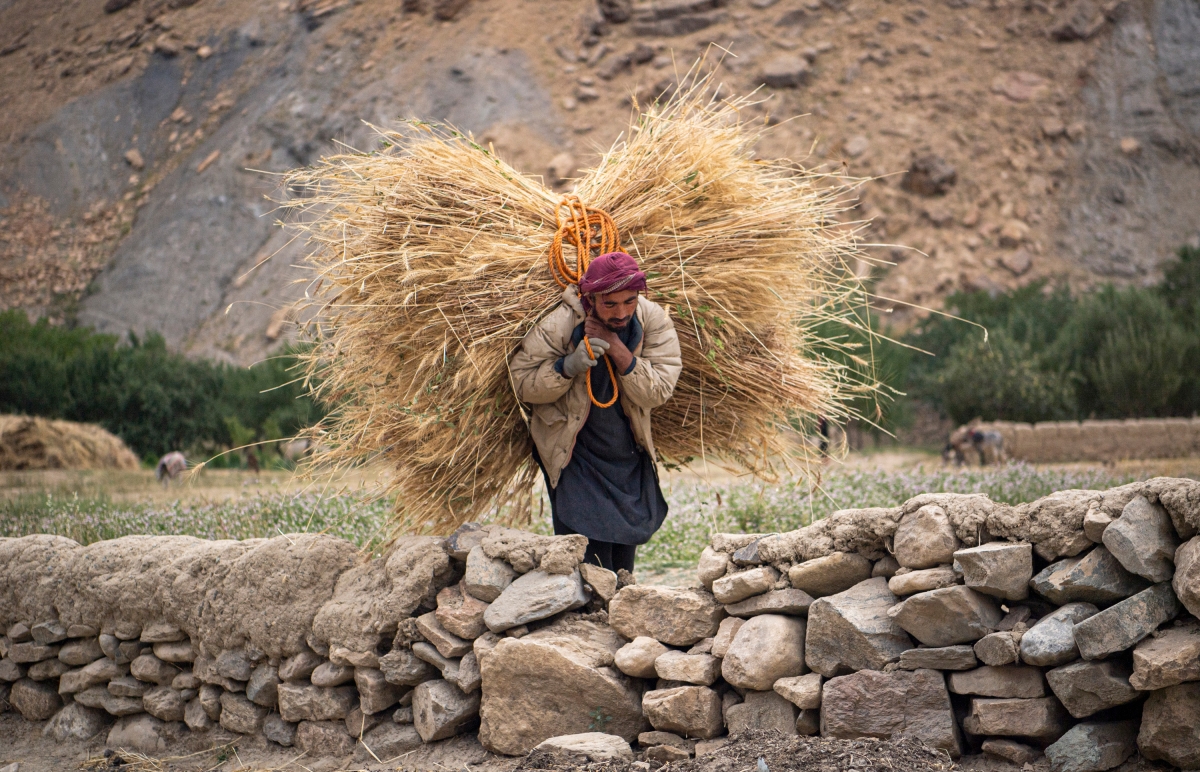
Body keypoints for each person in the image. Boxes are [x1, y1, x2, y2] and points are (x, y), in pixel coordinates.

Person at [510, 251, 681, 573]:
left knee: (624, 546)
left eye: (630, 301)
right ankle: (583, 614)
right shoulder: (558, 324)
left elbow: (657, 392)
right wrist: (566, 367)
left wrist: (615, 347)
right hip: (573, 451)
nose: (622, 312)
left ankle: (617, 607)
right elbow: (522, 383)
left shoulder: (653, 319)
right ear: (590, 298)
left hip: (627, 449)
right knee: (584, 546)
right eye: (610, 304)